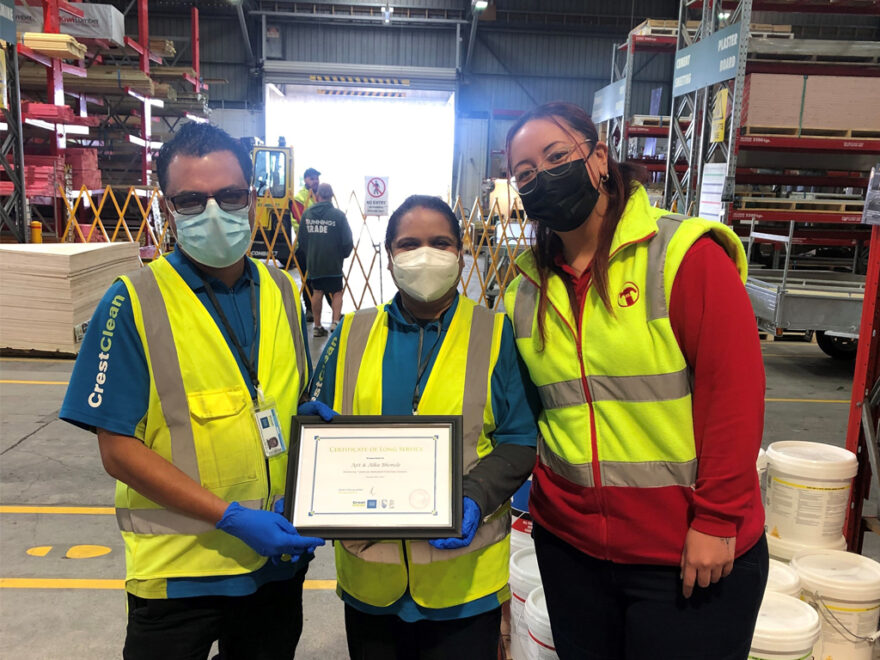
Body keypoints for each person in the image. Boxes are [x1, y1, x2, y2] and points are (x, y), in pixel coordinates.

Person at [503, 101, 767, 659]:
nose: (542, 177)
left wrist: (718, 520)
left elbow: (734, 398)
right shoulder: (524, 289)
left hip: (684, 553)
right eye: (525, 173)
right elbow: (528, 413)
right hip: (571, 551)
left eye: (556, 157)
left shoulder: (682, 256)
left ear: (598, 158)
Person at [59, 122, 324, 660]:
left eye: (228, 196)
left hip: (274, 564)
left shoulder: (281, 287)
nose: (213, 212)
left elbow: (275, 395)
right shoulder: (133, 301)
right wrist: (229, 516)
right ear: (168, 205)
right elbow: (118, 451)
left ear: (251, 197)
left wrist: (307, 421)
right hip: (180, 574)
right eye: (191, 200)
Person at [308, 195, 540, 659]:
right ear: (390, 256)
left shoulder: (496, 333)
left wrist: (475, 495)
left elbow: (519, 439)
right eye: (409, 244)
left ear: (460, 252)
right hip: (371, 585)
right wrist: (311, 472)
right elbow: (315, 417)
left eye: (440, 242)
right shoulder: (351, 332)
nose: (425, 254)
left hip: (463, 587)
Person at [297, 183, 353, 337]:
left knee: (317, 291)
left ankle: (317, 325)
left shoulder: (307, 215)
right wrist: (343, 255)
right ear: (331, 196)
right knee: (336, 292)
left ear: (317, 196)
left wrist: (310, 254)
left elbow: (301, 240)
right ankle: (335, 323)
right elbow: (348, 241)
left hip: (315, 261)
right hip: (333, 262)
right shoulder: (339, 216)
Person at [292, 166, 321, 321]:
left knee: (321, 278)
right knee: (306, 279)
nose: (315, 181)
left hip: (321, 246)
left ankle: (325, 310)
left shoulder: (322, 196)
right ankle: (309, 309)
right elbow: (298, 221)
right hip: (304, 245)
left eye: (316, 178)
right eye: (312, 178)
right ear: (305, 180)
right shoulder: (300, 197)